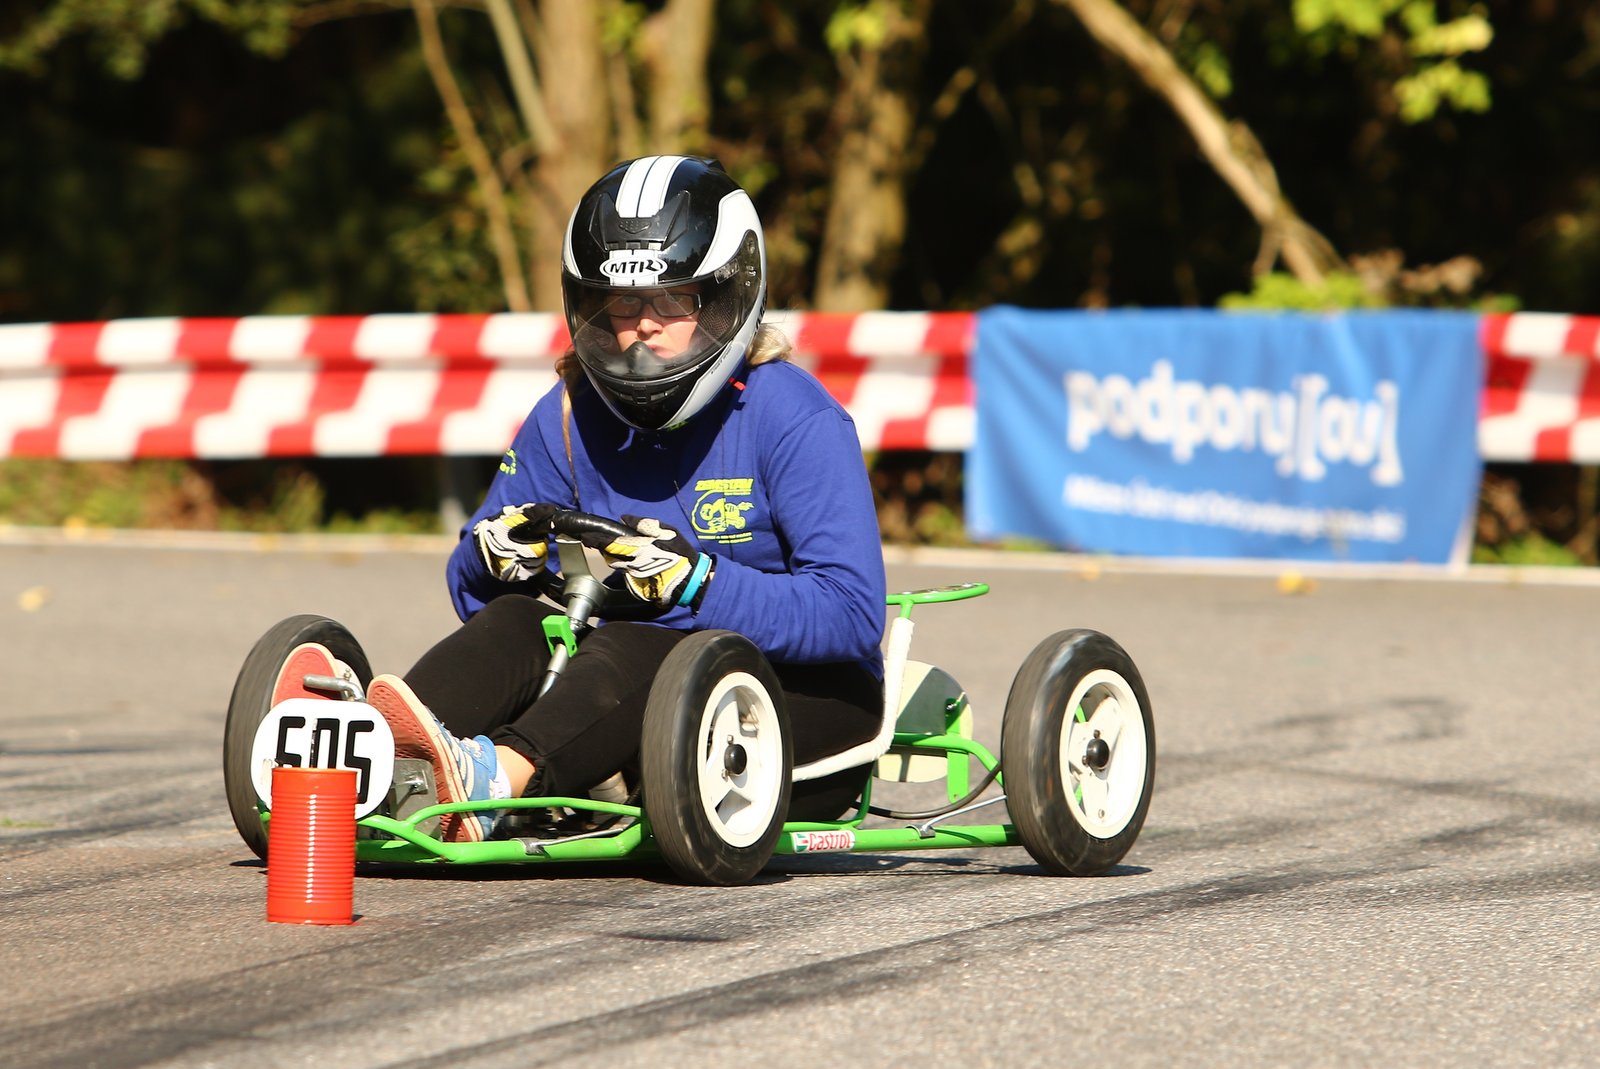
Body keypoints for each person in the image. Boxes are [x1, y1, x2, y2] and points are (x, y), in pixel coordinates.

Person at [317, 155, 887, 841]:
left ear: (726, 297)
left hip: (800, 699)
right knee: (518, 620)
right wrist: (492, 554)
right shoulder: (569, 412)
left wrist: (694, 583)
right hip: (615, 696)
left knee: (650, 639)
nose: (643, 324)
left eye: (672, 300)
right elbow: (473, 592)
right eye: (623, 303)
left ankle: (493, 781)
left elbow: (853, 615)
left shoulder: (793, 415)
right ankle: (364, 764)